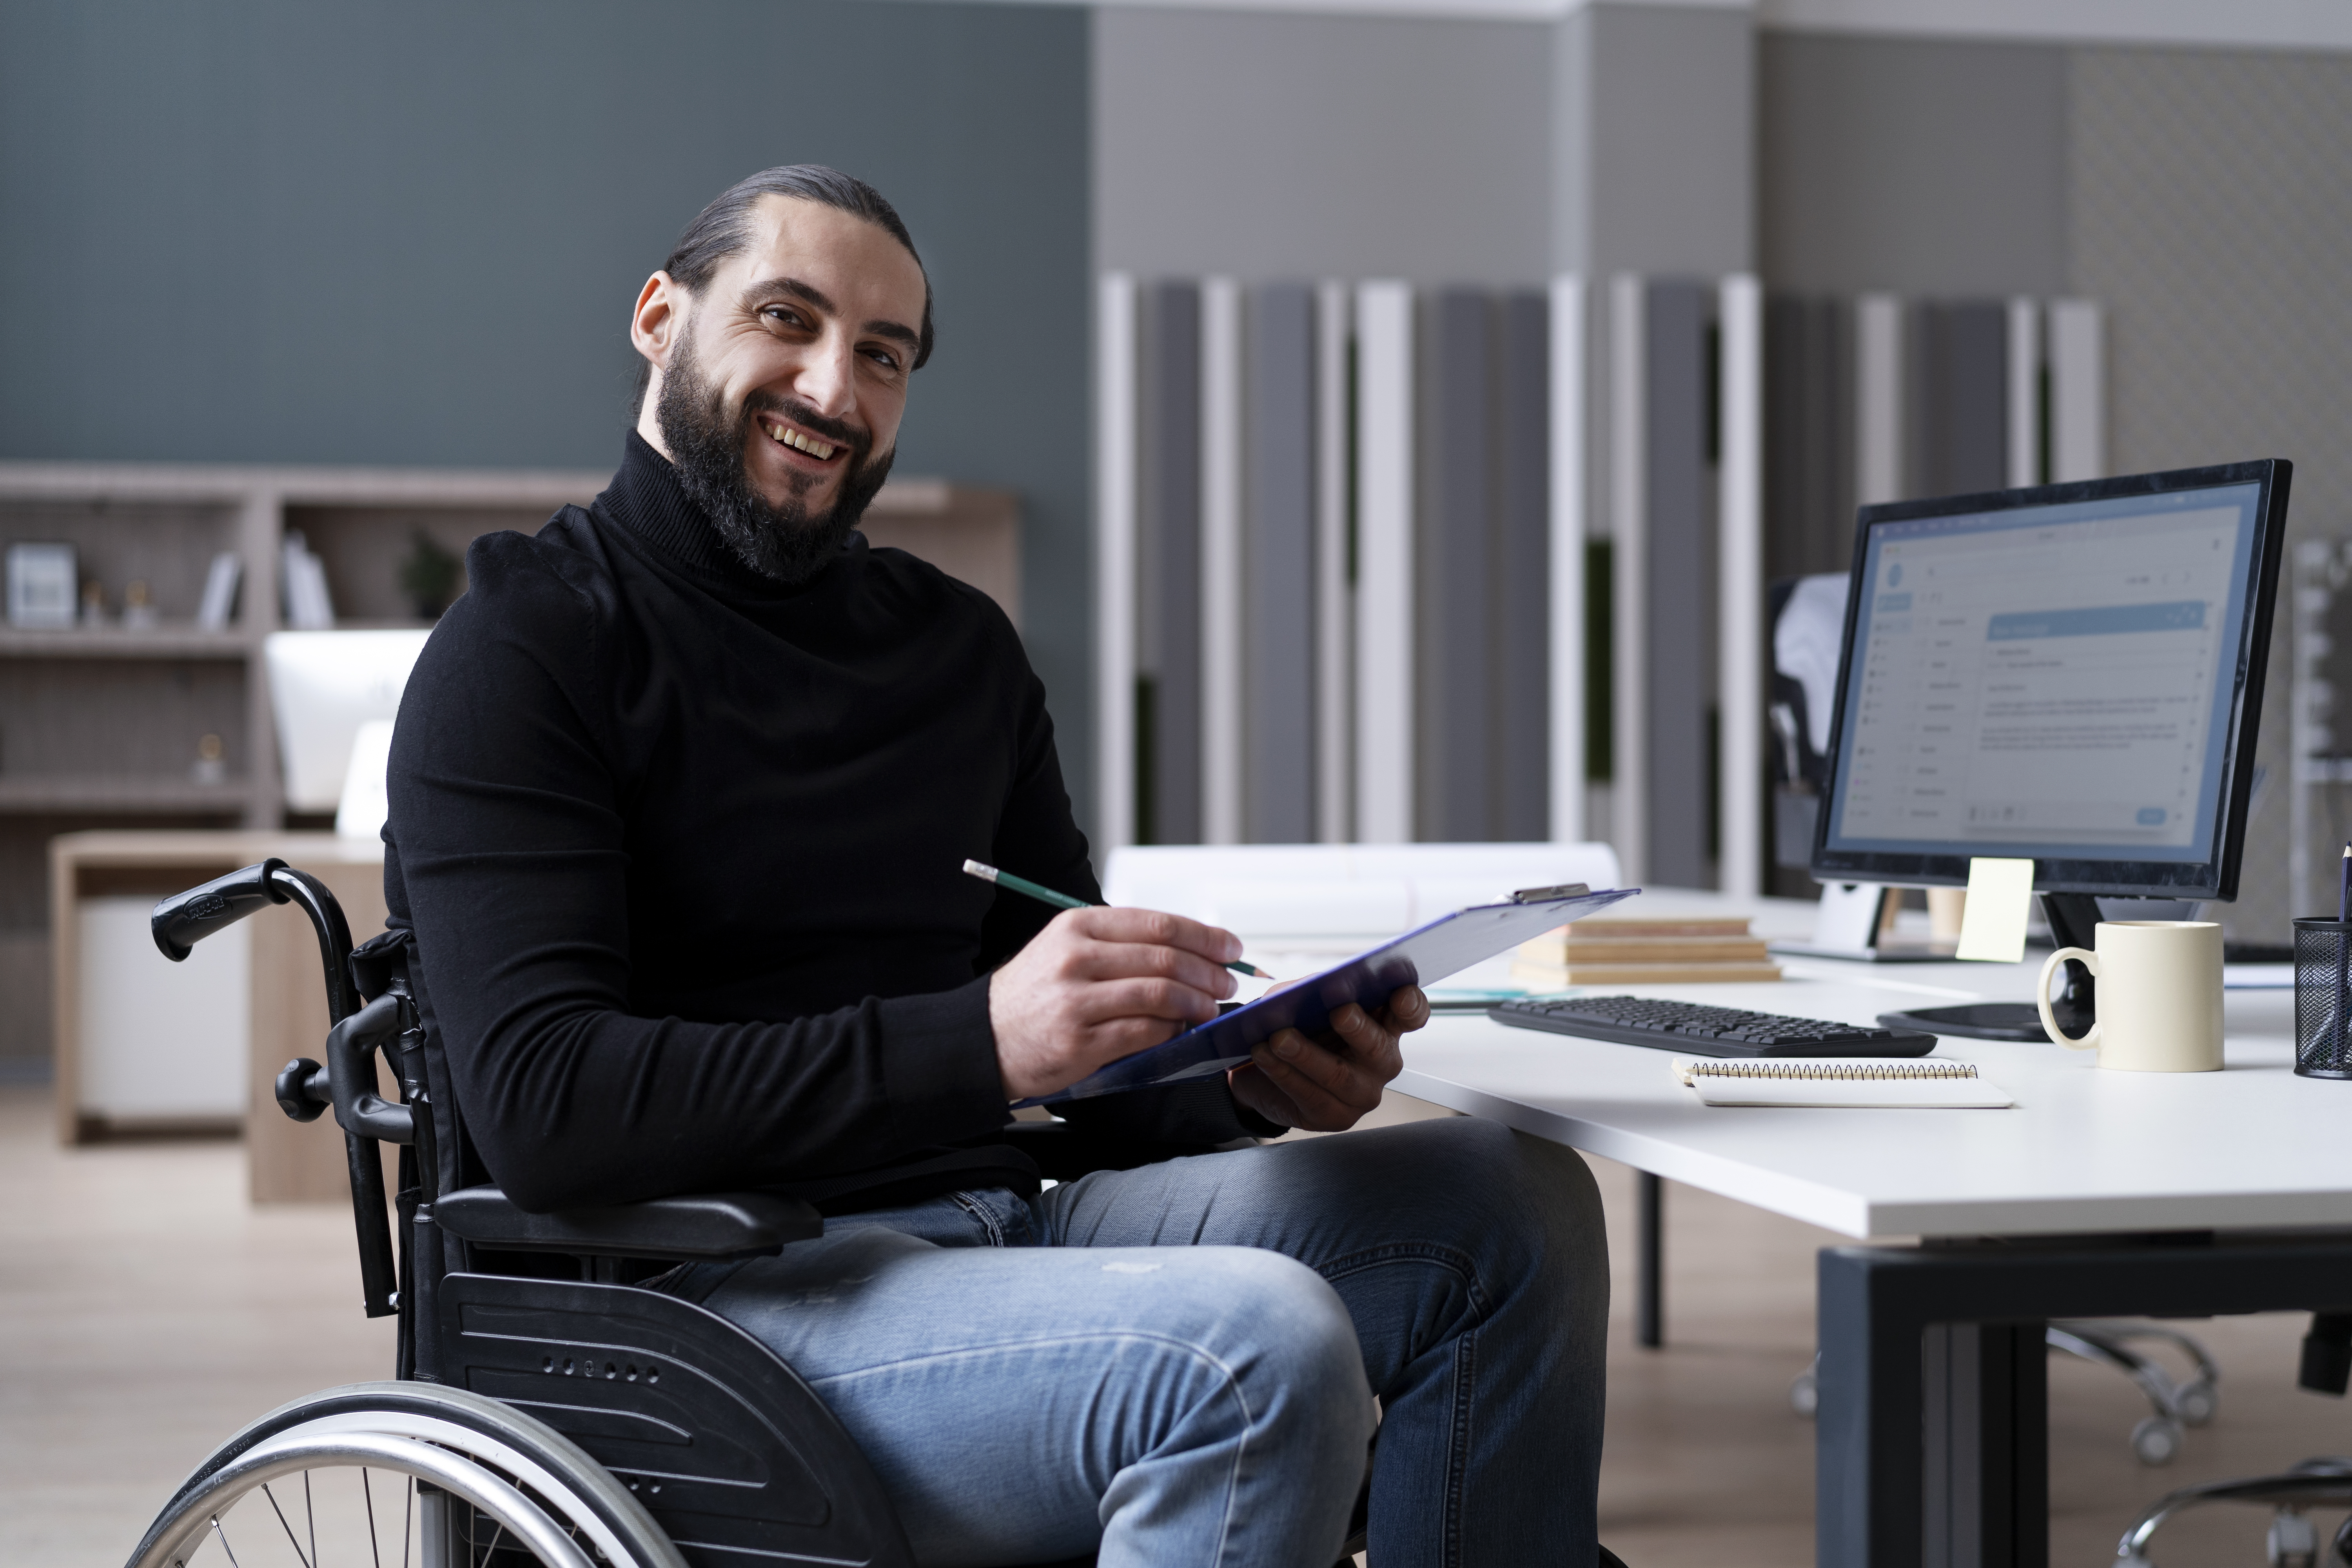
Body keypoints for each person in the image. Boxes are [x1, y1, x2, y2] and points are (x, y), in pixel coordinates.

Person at [386, 164, 1608, 1568]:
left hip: (1006, 1228)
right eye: (787, 319)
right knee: (1245, 1355)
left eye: (883, 355)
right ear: (663, 317)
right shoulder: (523, 648)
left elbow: (1077, 1075)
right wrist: (980, 1042)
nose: (834, 390)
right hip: (709, 1298)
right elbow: (547, 1111)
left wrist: (1238, 1081)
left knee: (1511, 1206)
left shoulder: (956, 650)